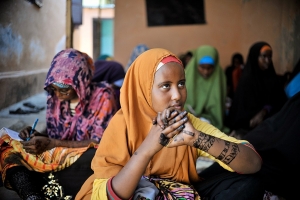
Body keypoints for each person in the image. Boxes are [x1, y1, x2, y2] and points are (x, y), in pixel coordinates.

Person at [75, 48, 264, 200]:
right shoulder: (122, 125)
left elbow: (253, 163)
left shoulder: (186, 123)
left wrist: (197, 138)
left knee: (250, 183)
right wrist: (148, 149)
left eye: (181, 84)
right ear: (144, 90)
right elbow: (109, 195)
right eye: (166, 86)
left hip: (180, 191)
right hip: (135, 193)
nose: (177, 95)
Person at [0, 48, 117, 199]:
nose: (57, 95)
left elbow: (101, 143)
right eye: (53, 88)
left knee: (95, 157)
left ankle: (41, 181)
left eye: (64, 89)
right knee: (6, 145)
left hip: (84, 158)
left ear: (80, 82)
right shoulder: (54, 100)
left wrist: (51, 143)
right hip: (58, 155)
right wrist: (36, 136)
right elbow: (56, 138)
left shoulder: (104, 97)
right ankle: (32, 194)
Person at [228, 41, 287, 139]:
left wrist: (264, 111)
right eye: (263, 57)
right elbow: (240, 113)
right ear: (255, 57)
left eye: (269, 57)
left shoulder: (273, 79)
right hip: (249, 126)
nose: (267, 60)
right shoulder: (246, 80)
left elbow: (279, 103)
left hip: (270, 124)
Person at [184, 45, 229, 133]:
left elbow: (217, 111)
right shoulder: (187, 77)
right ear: (196, 64)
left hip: (212, 124)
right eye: (202, 67)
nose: (206, 72)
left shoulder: (219, 78)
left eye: (210, 68)